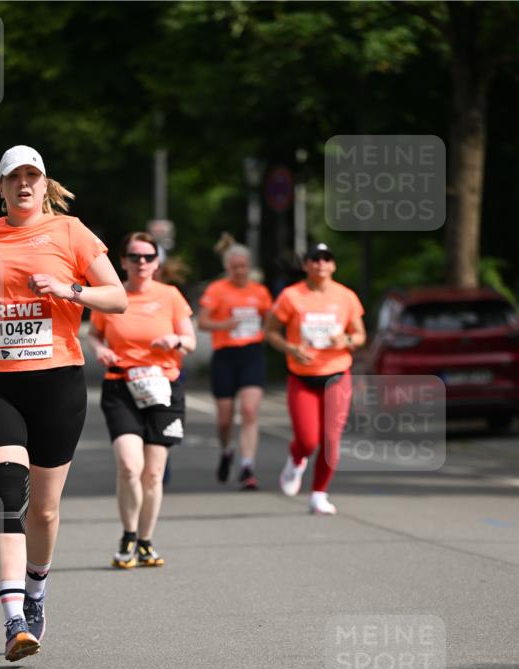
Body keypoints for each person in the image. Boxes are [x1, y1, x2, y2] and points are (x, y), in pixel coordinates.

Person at [0, 145, 127, 662]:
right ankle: (13, 620)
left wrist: (70, 289)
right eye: (14, 177)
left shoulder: (71, 232)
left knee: (44, 512)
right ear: (1, 187)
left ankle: (35, 591)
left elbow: (116, 297)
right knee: (7, 496)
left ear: (45, 184)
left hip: (56, 382)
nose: (24, 184)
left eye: (33, 176)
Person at [88, 231, 196, 569]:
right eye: (135, 257)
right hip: (121, 386)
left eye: (149, 257)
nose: (142, 263)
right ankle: (128, 534)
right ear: (123, 261)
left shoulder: (170, 295)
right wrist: (100, 349)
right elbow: (94, 334)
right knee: (129, 466)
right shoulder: (112, 295)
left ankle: (146, 541)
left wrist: (175, 341)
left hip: (163, 387)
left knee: (153, 472)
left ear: (157, 261)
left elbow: (190, 340)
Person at [265, 242, 366, 514]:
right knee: (308, 440)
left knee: (331, 441)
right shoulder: (291, 296)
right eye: (315, 259)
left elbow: (359, 335)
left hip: (336, 375)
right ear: (305, 265)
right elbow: (270, 331)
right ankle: (297, 458)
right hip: (303, 377)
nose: (321, 264)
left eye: (326, 259)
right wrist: (291, 348)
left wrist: (346, 340)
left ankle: (319, 494)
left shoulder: (346, 296)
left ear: (333, 265)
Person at [198, 244, 272, 489]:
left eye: (243, 266)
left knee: (250, 411)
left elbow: (270, 320)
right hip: (225, 355)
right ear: (227, 268)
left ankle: (247, 467)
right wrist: (224, 325)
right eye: (235, 267)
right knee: (224, 419)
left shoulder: (260, 291)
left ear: (249, 267)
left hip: (252, 353)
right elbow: (203, 322)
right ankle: (226, 450)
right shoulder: (217, 290)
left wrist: (266, 332)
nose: (239, 271)